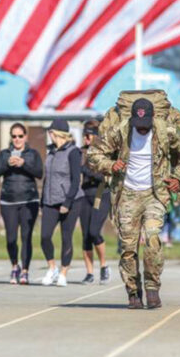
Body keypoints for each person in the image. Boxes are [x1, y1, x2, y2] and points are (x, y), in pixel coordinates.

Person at [88, 97, 180, 309]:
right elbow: (94, 154)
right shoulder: (120, 130)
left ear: (152, 118)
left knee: (153, 238)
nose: (142, 130)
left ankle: (152, 287)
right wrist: (111, 165)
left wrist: (178, 178)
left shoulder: (166, 131)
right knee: (128, 248)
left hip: (155, 194)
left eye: (146, 126)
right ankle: (133, 292)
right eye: (139, 127)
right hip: (127, 194)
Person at [0, 123, 43, 285]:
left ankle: (25, 271)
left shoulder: (32, 154)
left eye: (20, 136)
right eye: (14, 136)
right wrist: (7, 163)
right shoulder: (4, 154)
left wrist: (23, 164)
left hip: (29, 200)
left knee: (26, 237)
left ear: (26, 137)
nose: (17, 139)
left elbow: (39, 173)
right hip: (8, 201)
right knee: (11, 238)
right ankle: (15, 266)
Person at [41, 119, 83, 287]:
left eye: (50, 132)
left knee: (66, 237)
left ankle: (64, 272)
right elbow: (47, 178)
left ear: (56, 133)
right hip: (50, 200)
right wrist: (41, 202)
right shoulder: (50, 152)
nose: (49, 135)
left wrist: (67, 202)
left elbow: (75, 180)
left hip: (70, 201)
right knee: (45, 236)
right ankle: (52, 268)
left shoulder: (73, 152)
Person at [79, 120, 110, 285]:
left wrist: (86, 170)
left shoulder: (104, 153)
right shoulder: (81, 153)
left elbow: (103, 176)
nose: (85, 139)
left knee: (94, 231)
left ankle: (104, 266)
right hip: (85, 195)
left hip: (101, 194)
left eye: (88, 135)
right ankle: (89, 272)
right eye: (84, 135)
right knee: (85, 236)